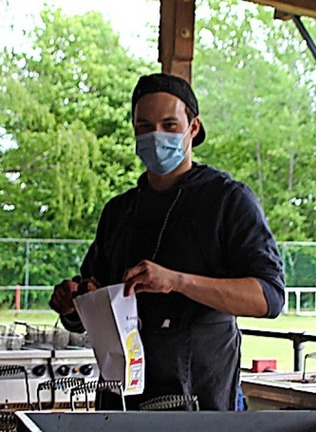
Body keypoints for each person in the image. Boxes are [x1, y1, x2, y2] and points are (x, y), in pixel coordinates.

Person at [49, 73, 285, 411]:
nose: (156, 135)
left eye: (169, 125)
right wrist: (74, 304)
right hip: (122, 402)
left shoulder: (227, 200)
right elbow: (94, 298)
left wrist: (176, 281)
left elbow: (268, 297)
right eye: (144, 126)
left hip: (203, 401)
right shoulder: (120, 211)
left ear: (194, 128)